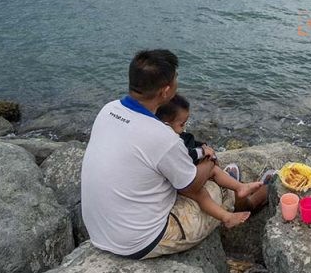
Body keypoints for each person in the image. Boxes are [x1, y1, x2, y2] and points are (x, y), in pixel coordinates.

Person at [81, 49, 268, 259]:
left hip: (100, 231)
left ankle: (238, 190)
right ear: (165, 91)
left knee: (182, 176)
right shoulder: (162, 136)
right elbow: (192, 186)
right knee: (213, 186)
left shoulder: (108, 110)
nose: (177, 82)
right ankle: (249, 202)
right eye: (175, 78)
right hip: (142, 241)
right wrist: (209, 163)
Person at [156, 94, 270, 228]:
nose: (184, 128)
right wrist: (203, 152)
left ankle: (239, 188)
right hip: (180, 183)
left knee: (213, 172)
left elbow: (188, 142)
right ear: (166, 125)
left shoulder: (165, 134)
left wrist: (202, 146)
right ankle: (234, 202)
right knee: (203, 191)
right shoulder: (169, 143)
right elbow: (185, 155)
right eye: (182, 124)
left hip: (179, 178)